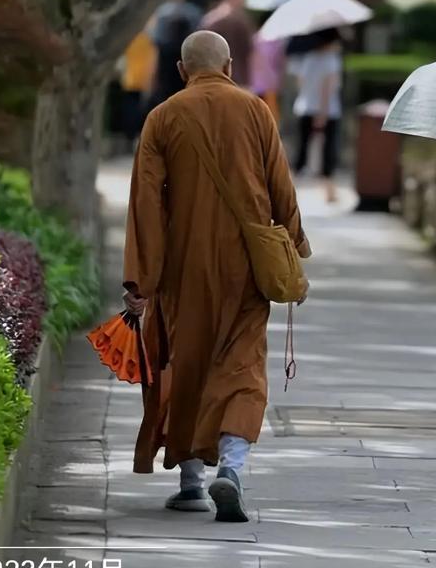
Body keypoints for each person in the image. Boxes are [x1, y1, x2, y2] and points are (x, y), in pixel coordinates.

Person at [122, 30, 311, 522]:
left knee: (187, 364)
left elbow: (146, 202)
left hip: (184, 269)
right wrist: (294, 249)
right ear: (229, 66)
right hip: (246, 264)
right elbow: (280, 185)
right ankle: (232, 465)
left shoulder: (162, 117)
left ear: (183, 71)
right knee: (243, 365)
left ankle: (191, 482)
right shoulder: (255, 111)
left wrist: (142, 279)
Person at [291, 28, 343, 205]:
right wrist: (322, 113)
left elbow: (300, 82)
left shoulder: (309, 58)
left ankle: (289, 188)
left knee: (302, 149)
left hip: (305, 107)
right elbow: (327, 89)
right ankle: (329, 191)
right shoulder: (331, 61)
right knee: (328, 152)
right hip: (327, 111)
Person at [149, 0, 202, 108]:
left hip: (165, 56)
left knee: (164, 91)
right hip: (185, 55)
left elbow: (155, 37)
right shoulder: (193, 12)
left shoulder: (162, 11)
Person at [201, 0, 254, 88]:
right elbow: (249, 47)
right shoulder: (240, 19)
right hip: (237, 72)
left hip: (213, 71)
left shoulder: (210, 18)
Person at [249, 18, 286, 124]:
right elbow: (281, 64)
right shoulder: (277, 41)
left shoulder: (254, 39)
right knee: (270, 121)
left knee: (257, 120)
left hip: (256, 85)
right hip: (271, 85)